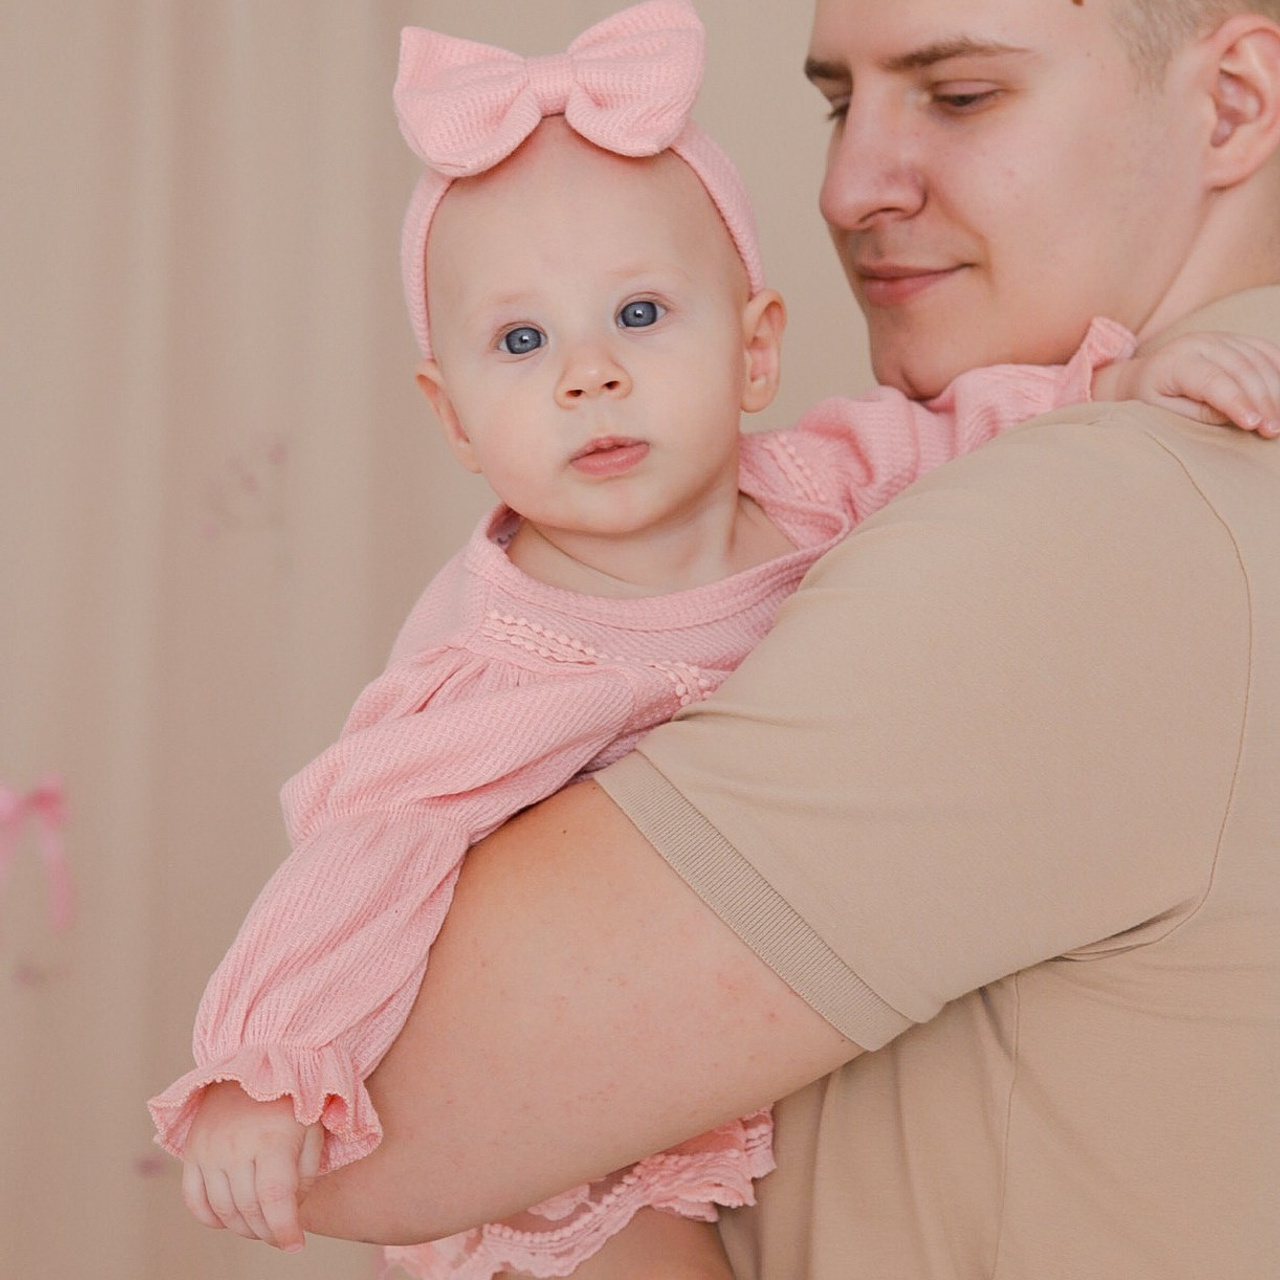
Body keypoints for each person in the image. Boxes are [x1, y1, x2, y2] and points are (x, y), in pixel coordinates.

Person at [168, 1, 1280, 1277]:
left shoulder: (1075, 513)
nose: (849, 184)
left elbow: (397, 1143)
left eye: (959, 94)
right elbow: (367, 844)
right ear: (451, 414)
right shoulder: (495, 660)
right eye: (833, 103)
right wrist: (268, 1053)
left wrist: (1109, 390)